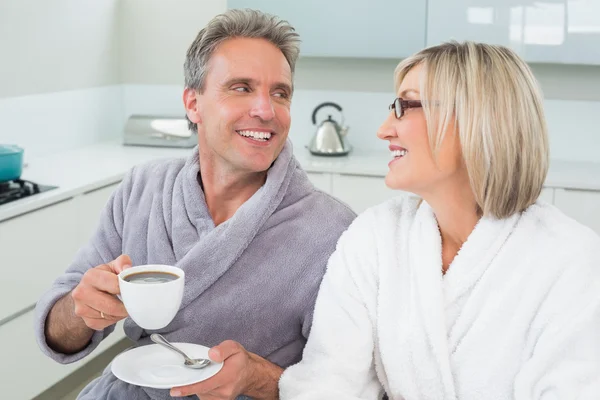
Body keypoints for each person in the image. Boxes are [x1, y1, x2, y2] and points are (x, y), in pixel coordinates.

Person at [34, 9, 356, 400]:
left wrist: (260, 378)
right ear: (193, 103)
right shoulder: (143, 188)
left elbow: (350, 386)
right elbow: (57, 330)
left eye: (280, 93)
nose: (266, 110)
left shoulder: (333, 232)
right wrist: (80, 309)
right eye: (241, 87)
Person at [279, 41, 600, 399]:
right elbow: (327, 384)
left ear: (476, 119)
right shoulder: (375, 239)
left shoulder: (571, 260)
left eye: (405, 106)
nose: (384, 130)